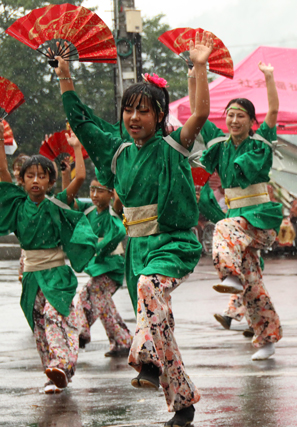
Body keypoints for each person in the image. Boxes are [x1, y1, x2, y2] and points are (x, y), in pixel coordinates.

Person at [53, 33, 214, 426]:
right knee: (159, 323)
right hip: (138, 251)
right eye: (129, 111)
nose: (135, 118)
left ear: (159, 117)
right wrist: (65, 79)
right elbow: (83, 122)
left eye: (144, 111)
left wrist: (199, 67)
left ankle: (145, 357)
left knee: (147, 291)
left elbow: (200, 114)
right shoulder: (118, 150)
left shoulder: (174, 146)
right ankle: (182, 402)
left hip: (173, 245)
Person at [199, 61, 283, 361]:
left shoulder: (261, 142)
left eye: (241, 116)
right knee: (253, 286)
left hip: (260, 220)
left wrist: (269, 77)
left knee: (222, 229)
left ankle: (229, 275)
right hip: (238, 226)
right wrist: (195, 71)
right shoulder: (219, 145)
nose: (234, 120)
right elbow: (201, 112)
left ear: (251, 121)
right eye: (230, 115)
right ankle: (267, 338)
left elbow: (273, 111)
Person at [0, 150, 97, 394]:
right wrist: (0, 140)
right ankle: (53, 375)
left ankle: (61, 365)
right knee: (39, 324)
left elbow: (80, 179)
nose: (35, 181)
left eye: (41, 176)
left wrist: (76, 147)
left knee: (54, 316)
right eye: (30, 176)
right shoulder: (17, 206)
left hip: (56, 274)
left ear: (50, 182)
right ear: (21, 180)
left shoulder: (56, 203)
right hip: (32, 276)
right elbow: (2, 174)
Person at [68, 174, 132, 358]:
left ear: (111, 193)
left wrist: (99, 249)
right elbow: (69, 199)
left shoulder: (113, 214)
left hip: (111, 266)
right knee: (104, 306)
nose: (95, 195)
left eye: (100, 191)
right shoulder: (89, 210)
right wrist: (66, 175)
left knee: (86, 296)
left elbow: (119, 231)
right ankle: (123, 341)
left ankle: (80, 331)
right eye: (92, 190)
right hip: (100, 265)